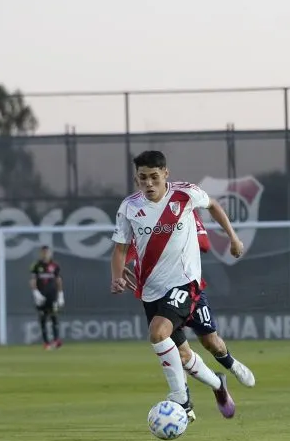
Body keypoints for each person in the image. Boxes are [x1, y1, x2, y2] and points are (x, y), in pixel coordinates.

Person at [110, 150, 245, 422]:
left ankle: (180, 399)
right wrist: (116, 276)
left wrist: (233, 238)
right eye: (142, 178)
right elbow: (120, 250)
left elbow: (214, 206)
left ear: (165, 174)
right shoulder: (129, 207)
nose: (148, 183)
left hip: (185, 283)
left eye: (154, 177)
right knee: (183, 355)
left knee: (158, 333)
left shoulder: (185, 194)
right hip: (150, 289)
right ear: (136, 179)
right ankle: (219, 384)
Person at [123, 210, 256, 390]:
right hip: (158, 294)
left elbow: (204, 244)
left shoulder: (185, 210)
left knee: (212, 343)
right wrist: (122, 264)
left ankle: (231, 364)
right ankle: (194, 398)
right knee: (181, 354)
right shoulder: (141, 216)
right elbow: (126, 250)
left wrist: (172, 236)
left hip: (187, 288)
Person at [28, 245, 64, 349]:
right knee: (43, 317)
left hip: (52, 295)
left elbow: (58, 280)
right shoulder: (36, 266)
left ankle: (56, 340)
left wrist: (61, 295)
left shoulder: (55, 265)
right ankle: (46, 342)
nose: (45, 254)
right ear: (40, 253)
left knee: (54, 317)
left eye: (47, 252)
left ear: (50, 253)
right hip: (41, 296)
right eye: (43, 252)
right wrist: (36, 293)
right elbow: (32, 280)